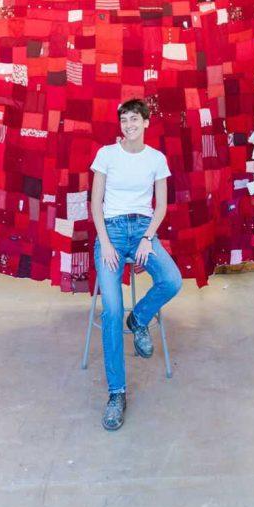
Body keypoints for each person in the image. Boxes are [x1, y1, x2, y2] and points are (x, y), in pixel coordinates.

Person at [89, 98, 183, 431]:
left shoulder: (156, 159)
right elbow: (95, 204)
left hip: (144, 229)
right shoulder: (106, 155)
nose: (128, 125)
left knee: (172, 280)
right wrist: (107, 244)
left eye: (134, 119)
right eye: (124, 120)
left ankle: (139, 319)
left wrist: (147, 238)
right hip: (111, 230)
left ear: (146, 123)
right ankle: (117, 393)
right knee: (110, 310)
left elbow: (161, 207)